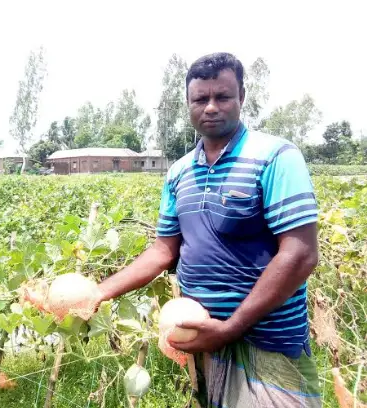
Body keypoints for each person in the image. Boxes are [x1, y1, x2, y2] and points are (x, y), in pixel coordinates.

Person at [93, 53, 321, 407]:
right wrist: (99, 293)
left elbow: (300, 253)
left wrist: (231, 327)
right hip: (205, 340)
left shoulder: (276, 157)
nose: (211, 107)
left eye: (223, 97)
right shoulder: (179, 172)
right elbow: (162, 251)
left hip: (268, 345)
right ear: (188, 104)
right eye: (201, 99)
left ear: (241, 98)